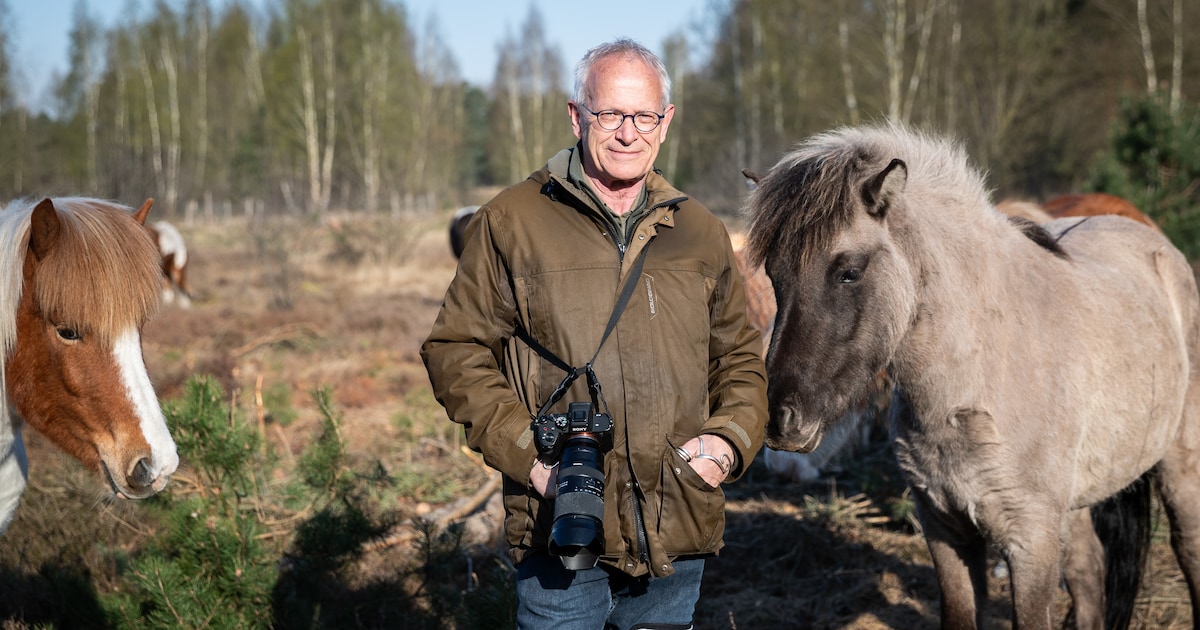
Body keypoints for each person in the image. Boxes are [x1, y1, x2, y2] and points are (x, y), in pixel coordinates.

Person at [421, 37, 767, 629]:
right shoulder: (512, 221)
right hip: (562, 522)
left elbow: (739, 358)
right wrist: (529, 458)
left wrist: (727, 444)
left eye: (644, 116)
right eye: (610, 114)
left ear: (666, 122)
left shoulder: (701, 231)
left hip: (675, 528)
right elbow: (455, 349)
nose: (628, 133)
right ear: (577, 115)